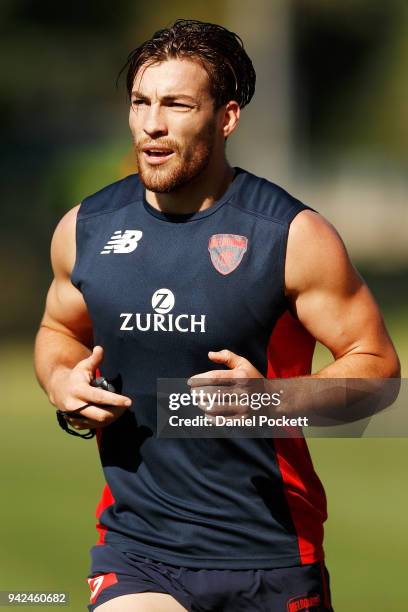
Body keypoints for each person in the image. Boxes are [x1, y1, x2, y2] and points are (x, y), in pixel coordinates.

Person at [34, 19, 399, 612]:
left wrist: (269, 401)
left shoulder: (290, 235)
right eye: (140, 102)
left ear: (226, 118)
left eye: (176, 104)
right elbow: (57, 333)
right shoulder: (86, 229)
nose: (152, 123)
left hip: (269, 553)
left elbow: (379, 370)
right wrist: (61, 380)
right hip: (137, 546)